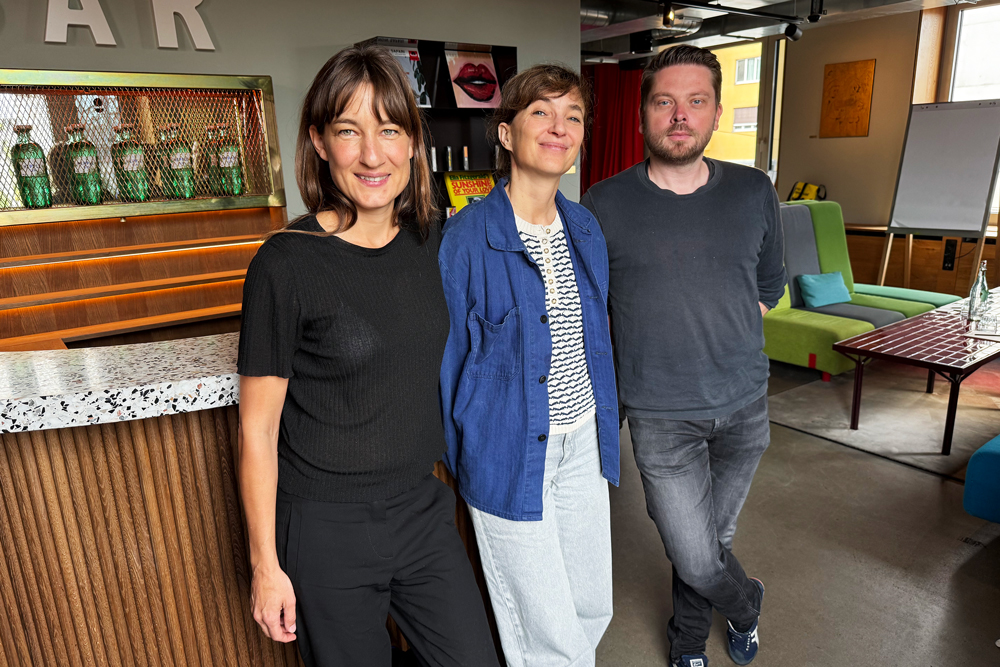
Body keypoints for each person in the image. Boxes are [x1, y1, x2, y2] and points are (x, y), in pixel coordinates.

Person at [236, 45, 500, 667]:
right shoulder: (285, 263)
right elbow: (257, 428)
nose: (372, 154)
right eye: (348, 131)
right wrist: (265, 566)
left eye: (389, 129)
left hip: (421, 508)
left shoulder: (435, 242)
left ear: (413, 141)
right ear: (320, 144)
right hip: (325, 529)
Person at [581, 45, 786, 667]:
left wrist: (716, 335)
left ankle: (688, 643)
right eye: (665, 101)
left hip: (745, 408)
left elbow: (767, 289)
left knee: (712, 540)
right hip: (660, 416)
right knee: (696, 552)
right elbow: (589, 312)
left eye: (695, 101)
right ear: (644, 114)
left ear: (716, 114)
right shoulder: (604, 203)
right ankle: (745, 603)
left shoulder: (753, 191)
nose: (680, 115)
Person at [438, 64, 620, 667]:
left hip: (583, 445)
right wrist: (460, 461)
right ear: (507, 133)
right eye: (541, 112)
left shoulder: (585, 228)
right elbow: (446, 364)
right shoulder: (464, 239)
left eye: (573, 116)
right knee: (547, 635)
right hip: (508, 450)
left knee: (592, 608)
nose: (559, 127)